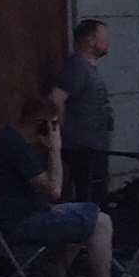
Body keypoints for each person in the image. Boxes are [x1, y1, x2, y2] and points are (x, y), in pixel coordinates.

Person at [0, 92, 138, 277]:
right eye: (53, 125)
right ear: (40, 124)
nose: (55, 130)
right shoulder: (14, 148)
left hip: (19, 216)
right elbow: (54, 190)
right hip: (18, 224)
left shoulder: (9, 141)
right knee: (100, 222)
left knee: (83, 215)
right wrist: (55, 149)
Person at [51, 18, 114, 202]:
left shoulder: (88, 69)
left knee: (97, 196)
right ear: (90, 40)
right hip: (81, 148)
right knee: (90, 199)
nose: (107, 41)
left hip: (93, 147)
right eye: (104, 37)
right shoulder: (77, 67)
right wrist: (60, 132)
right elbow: (55, 99)